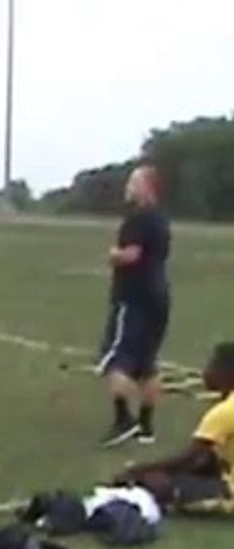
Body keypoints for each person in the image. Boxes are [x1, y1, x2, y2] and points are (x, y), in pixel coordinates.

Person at [97, 164, 172, 447]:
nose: (128, 187)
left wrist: (113, 255)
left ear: (146, 187)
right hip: (158, 297)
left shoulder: (138, 220)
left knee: (116, 360)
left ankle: (122, 420)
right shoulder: (161, 220)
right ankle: (146, 426)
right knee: (147, 364)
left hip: (134, 298)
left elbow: (131, 256)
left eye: (133, 182)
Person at [113, 342, 234, 515]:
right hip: (224, 473)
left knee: (155, 484)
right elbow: (206, 458)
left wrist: (138, 471)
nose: (206, 373)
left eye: (213, 366)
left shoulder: (224, 412)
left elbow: (190, 459)